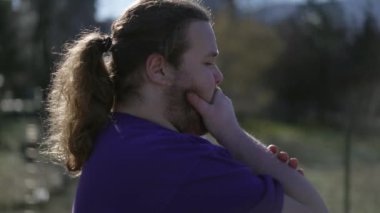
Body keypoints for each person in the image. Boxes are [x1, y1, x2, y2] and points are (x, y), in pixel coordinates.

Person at [44, 0, 328, 212]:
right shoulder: (179, 162)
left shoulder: (113, 138)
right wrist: (234, 137)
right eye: (208, 62)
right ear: (159, 70)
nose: (218, 77)